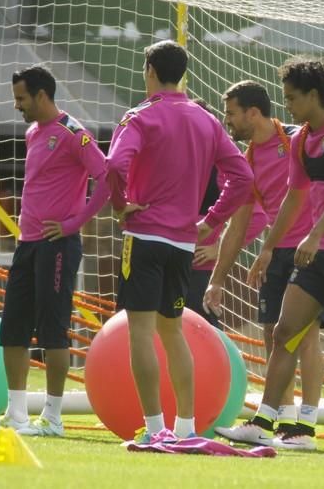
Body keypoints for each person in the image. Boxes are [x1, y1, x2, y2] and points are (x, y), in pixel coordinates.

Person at [216, 57, 324, 455]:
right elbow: (295, 196)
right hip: (317, 253)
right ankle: (263, 423)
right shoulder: (301, 140)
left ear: (314, 95)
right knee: (283, 331)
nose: (287, 105)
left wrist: (313, 236)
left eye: (292, 98)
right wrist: (270, 248)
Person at [106, 40, 254, 442]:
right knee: (173, 332)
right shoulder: (207, 120)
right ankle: (185, 428)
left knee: (140, 332)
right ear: (183, 73)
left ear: (149, 69)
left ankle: (155, 429)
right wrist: (211, 221)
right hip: (183, 246)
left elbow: (114, 166)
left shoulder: (139, 116)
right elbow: (243, 177)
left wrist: (122, 206)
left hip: (144, 236)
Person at [0, 65, 110, 436]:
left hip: (58, 245)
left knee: (53, 329)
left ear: (42, 96)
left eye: (21, 98)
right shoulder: (33, 132)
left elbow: (108, 179)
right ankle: (16, 414)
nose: (17, 105)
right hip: (28, 243)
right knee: (13, 327)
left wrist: (71, 224)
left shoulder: (73, 133)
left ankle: (52, 418)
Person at [203, 80, 324, 450]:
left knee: (304, 337)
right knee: (272, 333)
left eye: (231, 113)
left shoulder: (297, 140)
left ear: (252, 113)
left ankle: (306, 426)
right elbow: (239, 223)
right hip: (277, 251)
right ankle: (281, 420)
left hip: (311, 250)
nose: (227, 121)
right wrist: (217, 279)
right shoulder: (247, 161)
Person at [186, 99, 268, 328]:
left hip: (199, 268)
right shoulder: (178, 160)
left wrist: (217, 250)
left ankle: (223, 365)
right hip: (171, 259)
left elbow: (259, 217)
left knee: (204, 329)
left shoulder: (223, 166)